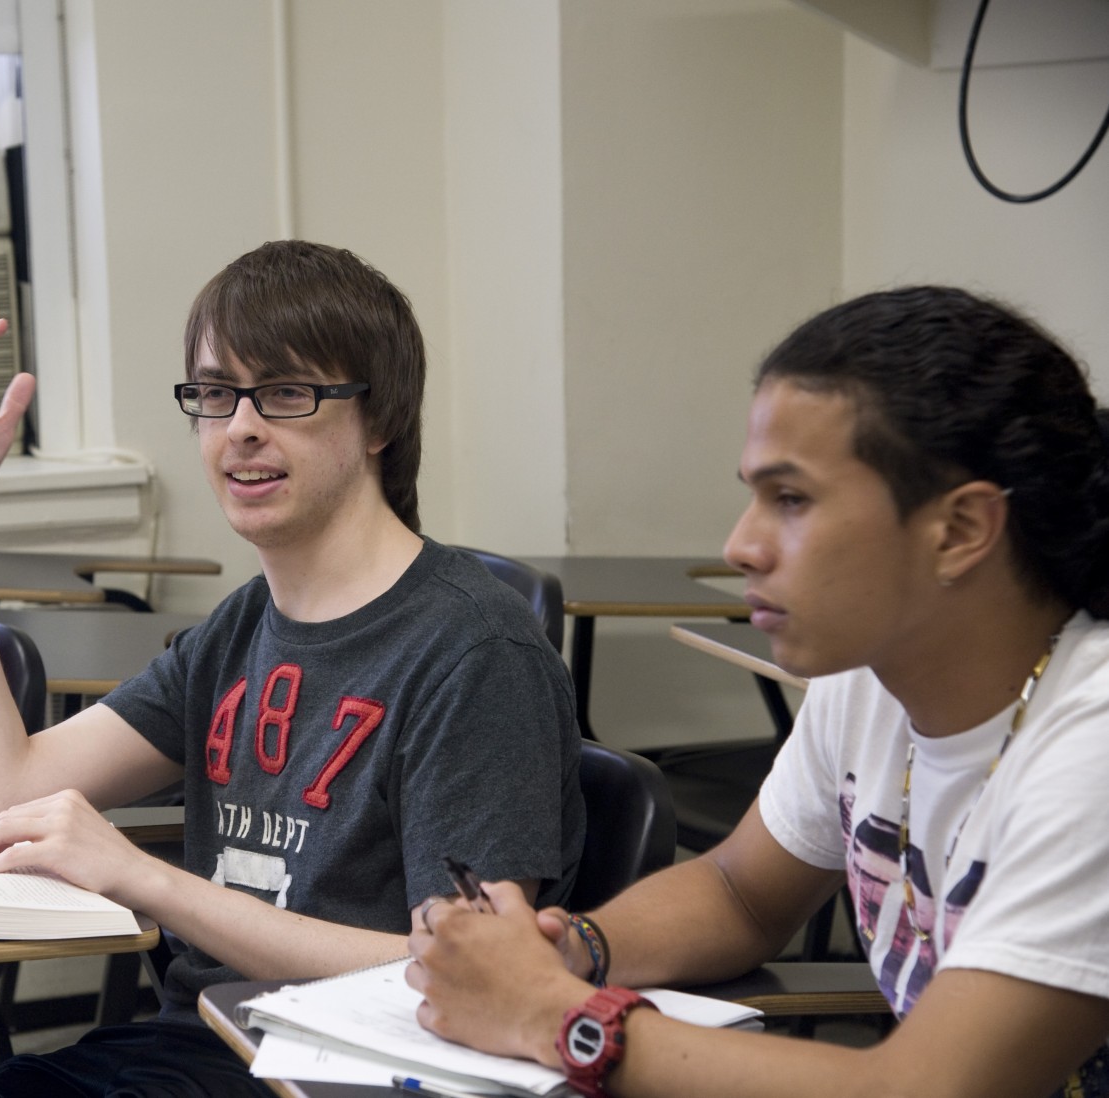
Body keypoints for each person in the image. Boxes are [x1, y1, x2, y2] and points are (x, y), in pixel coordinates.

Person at [0, 239, 584, 1096]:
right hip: (206, 1047)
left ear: (379, 421)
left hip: (361, 1069)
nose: (241, 427)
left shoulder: (475, 654)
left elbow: (464, 976)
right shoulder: (243, 625)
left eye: (286, 393)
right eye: (217, 393)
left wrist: (145, 878)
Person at [406, 285, 1109, 1098]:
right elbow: (739, 892)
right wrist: (571, 949)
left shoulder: (1089, 746)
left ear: (959, 531)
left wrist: (551, 1014)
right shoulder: (870, 682)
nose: (740, 544)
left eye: (792, 499)